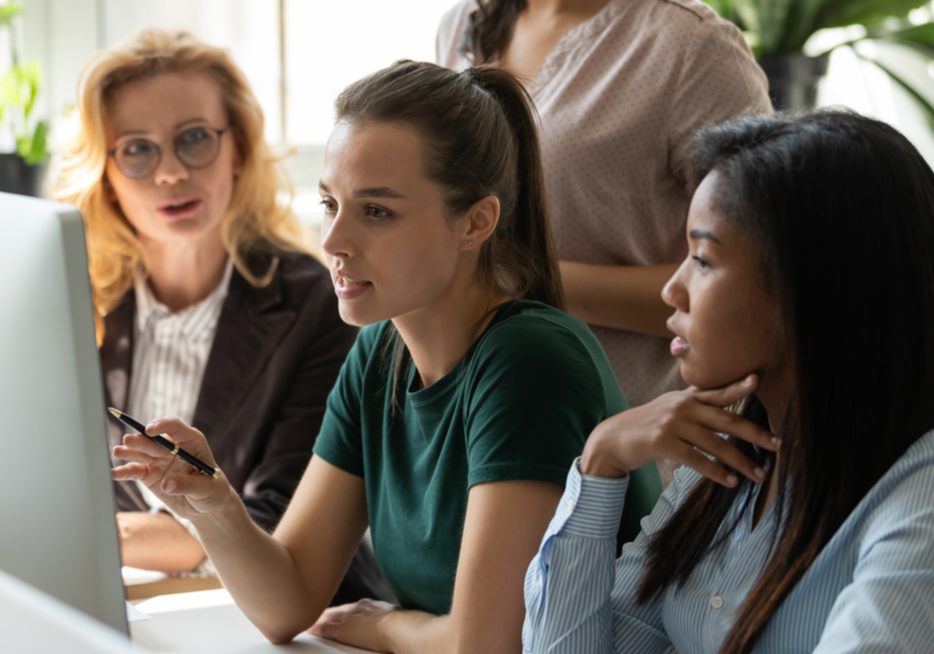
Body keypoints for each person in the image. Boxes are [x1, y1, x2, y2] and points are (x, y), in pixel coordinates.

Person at [113, 60, 662, 653]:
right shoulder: (381, 350)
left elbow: (482, 646)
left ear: (476, 222)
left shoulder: (528, 360)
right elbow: (287, 601)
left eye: (376, 212)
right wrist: (210, 501)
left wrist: (382, 624)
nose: (333, 241)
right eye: (330, 204)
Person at [522, 110, 934, 653]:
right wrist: (601, 461)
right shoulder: (722, 456)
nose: (672, 290)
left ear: (814, 292)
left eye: (702, 260)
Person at [53, 29, 390, 603]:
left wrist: (100, 542)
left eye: (193, 139)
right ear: (104, 173)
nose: (170, 173)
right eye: (137, 148)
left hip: (281, 618)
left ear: (237, 149)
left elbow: (279, 524)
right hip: (126, 601)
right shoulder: (77, 304)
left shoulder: (319, 305)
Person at [438, 0, 772, 418]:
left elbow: (755, 284)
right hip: (475, 416)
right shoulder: (462, 28)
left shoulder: (693, 50)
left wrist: (511, 274)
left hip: (618, 435)